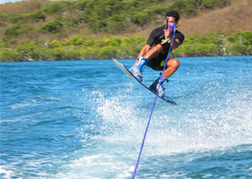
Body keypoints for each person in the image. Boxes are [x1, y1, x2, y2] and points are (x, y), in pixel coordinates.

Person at [129, 10, 185, 97]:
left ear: (176, 22)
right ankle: (138, 66)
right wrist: (135, 65)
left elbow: (175, 46)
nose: (168, 24)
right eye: (167, 21)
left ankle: (157, 84)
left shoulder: (179, 35)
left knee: (176, 63)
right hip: (150, 59)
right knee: (159, 47)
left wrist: (170, 36)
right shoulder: (157, 31)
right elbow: (146, 48)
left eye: (171, 22)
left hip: (161, 63)